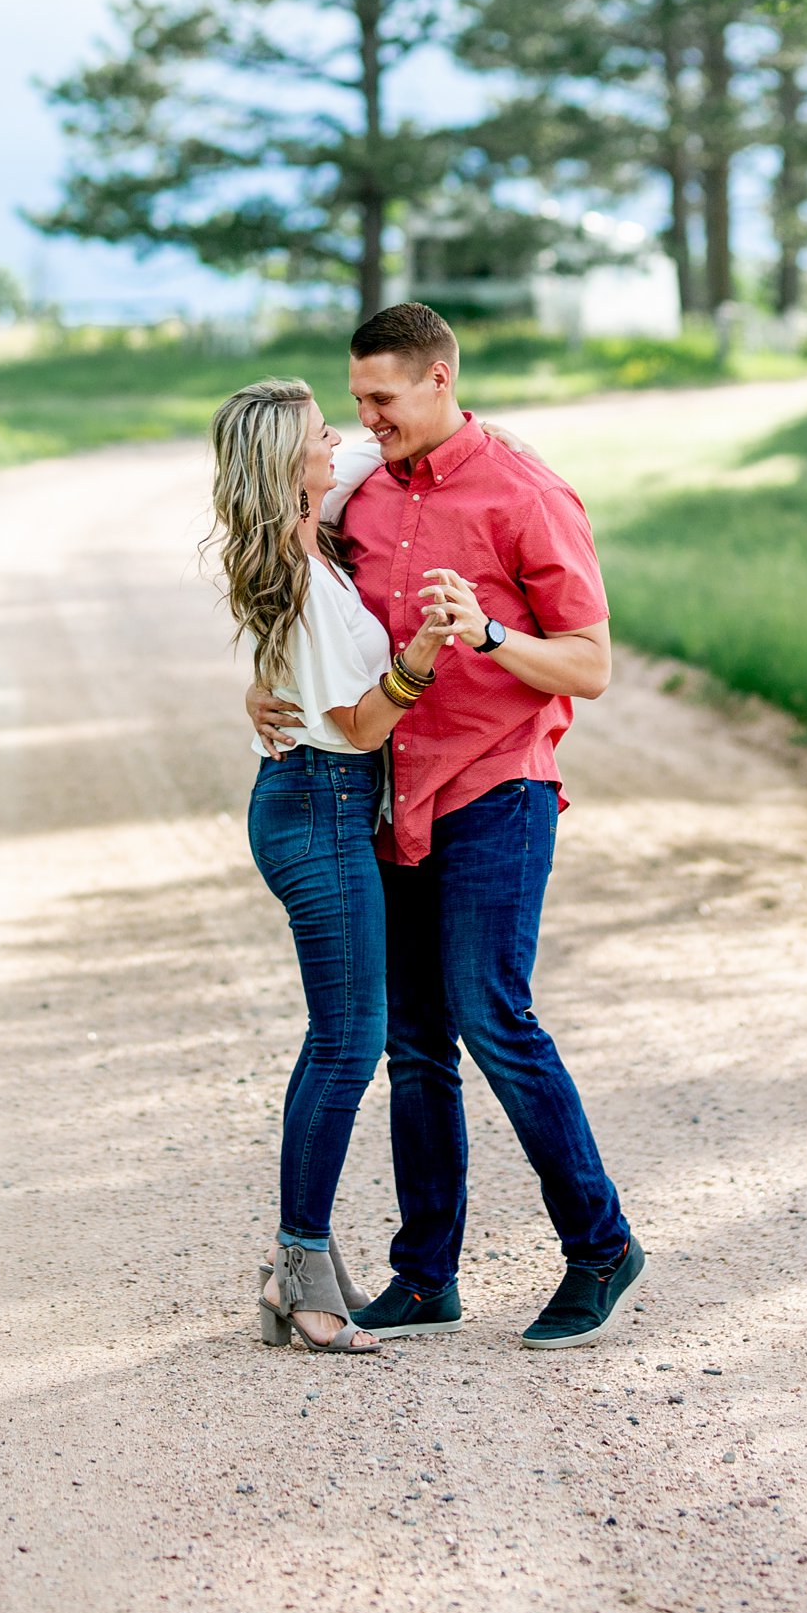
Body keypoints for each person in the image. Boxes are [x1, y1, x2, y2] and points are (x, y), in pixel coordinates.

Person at [249, 303, 647, 1353]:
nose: (364, 417)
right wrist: (257, 682)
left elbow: (591, 665)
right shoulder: (364, 495)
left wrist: (491, 632)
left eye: (380, 398)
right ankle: (424, 1275)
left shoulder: (526, 492)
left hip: (495, 790)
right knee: (414, 1044)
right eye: (356, 400)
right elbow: (286, 578)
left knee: (489, 1014)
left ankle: (598, 1243)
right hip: (393, 796)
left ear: (438, 379)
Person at [207, 375, 448, 1356]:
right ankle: (299, 1269)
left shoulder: (302, 538)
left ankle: (294, 1264)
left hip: (318, 804)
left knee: (342, 1036)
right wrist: (423, 656)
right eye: (319, 433)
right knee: (348, 1042)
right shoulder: (300, 581)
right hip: (319, 802)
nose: (340, 438)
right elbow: (354, 722)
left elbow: (378, 445)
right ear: (290, 464)